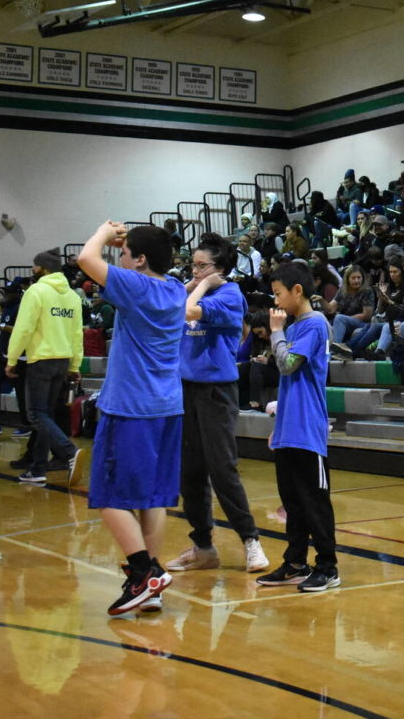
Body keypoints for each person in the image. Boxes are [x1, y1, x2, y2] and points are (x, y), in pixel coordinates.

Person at [75, 221, 187, 616]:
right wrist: (132, 244)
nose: (119, 257)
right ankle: (151, 587)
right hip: (168, 408)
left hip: (130, 409)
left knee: (108, 495)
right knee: (153, 497)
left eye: (125, 253)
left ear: (140, 261)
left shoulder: (137, 286)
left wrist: (104, 232)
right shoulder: (174, 288)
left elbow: (85, 258)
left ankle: (143, 572)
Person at [166, 233, 268, 576]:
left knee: (222, 468)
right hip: (185, 390)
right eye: (191, 264)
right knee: (189, 473)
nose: (193, 270)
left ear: (219, 268)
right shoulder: (193, 286)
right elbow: (167, 303)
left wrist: (205, 283)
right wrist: (194, 281)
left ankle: (251, 540)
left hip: (216, 390)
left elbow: (184, 311)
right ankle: (203, 547)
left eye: (201, 265)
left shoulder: (229, 294)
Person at [254, 260, 341, 593]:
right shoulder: (293, 328)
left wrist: (276, 333)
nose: (276, 301)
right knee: (292, 502)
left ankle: (328, 566)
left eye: (278, 294)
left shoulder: (314, 324)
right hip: (290, 427)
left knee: (315, 502)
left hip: (308, 428)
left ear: (297, 291)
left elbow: (289, 365)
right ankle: (295, 563)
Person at [6, 249, 84, 484]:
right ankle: (38, 468)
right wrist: (75, 364)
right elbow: (77, 333)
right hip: (63, 361)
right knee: (46, 415)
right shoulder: (72, 296)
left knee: (36, 415)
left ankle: (69, 452)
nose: (32, 269)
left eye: (34, 266)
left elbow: (23, 328)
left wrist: (11, 359)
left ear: (39, 268)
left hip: (41, 360)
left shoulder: (36, 291)